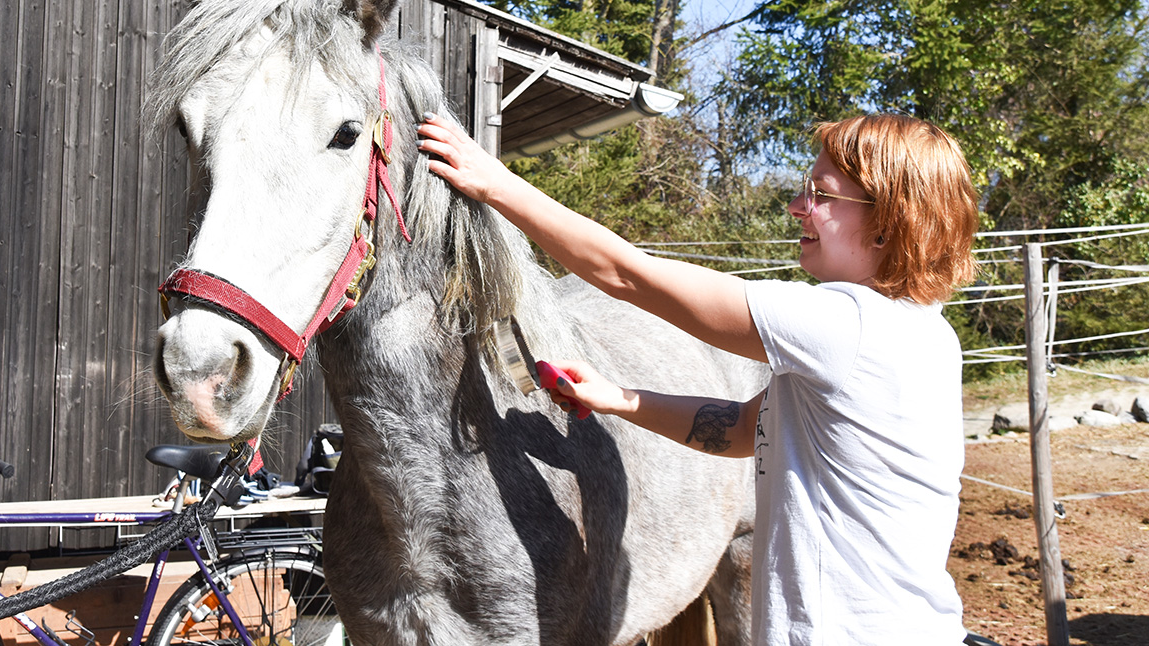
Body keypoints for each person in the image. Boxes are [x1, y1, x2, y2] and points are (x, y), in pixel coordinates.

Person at [417, 111, 979, 645]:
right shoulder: (926, 333)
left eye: (821, 194)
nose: (795, 205)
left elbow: (626, 274)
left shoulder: (845, 324)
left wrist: (494, 182)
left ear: (887, 222)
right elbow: (740, 428)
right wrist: (621, 398)